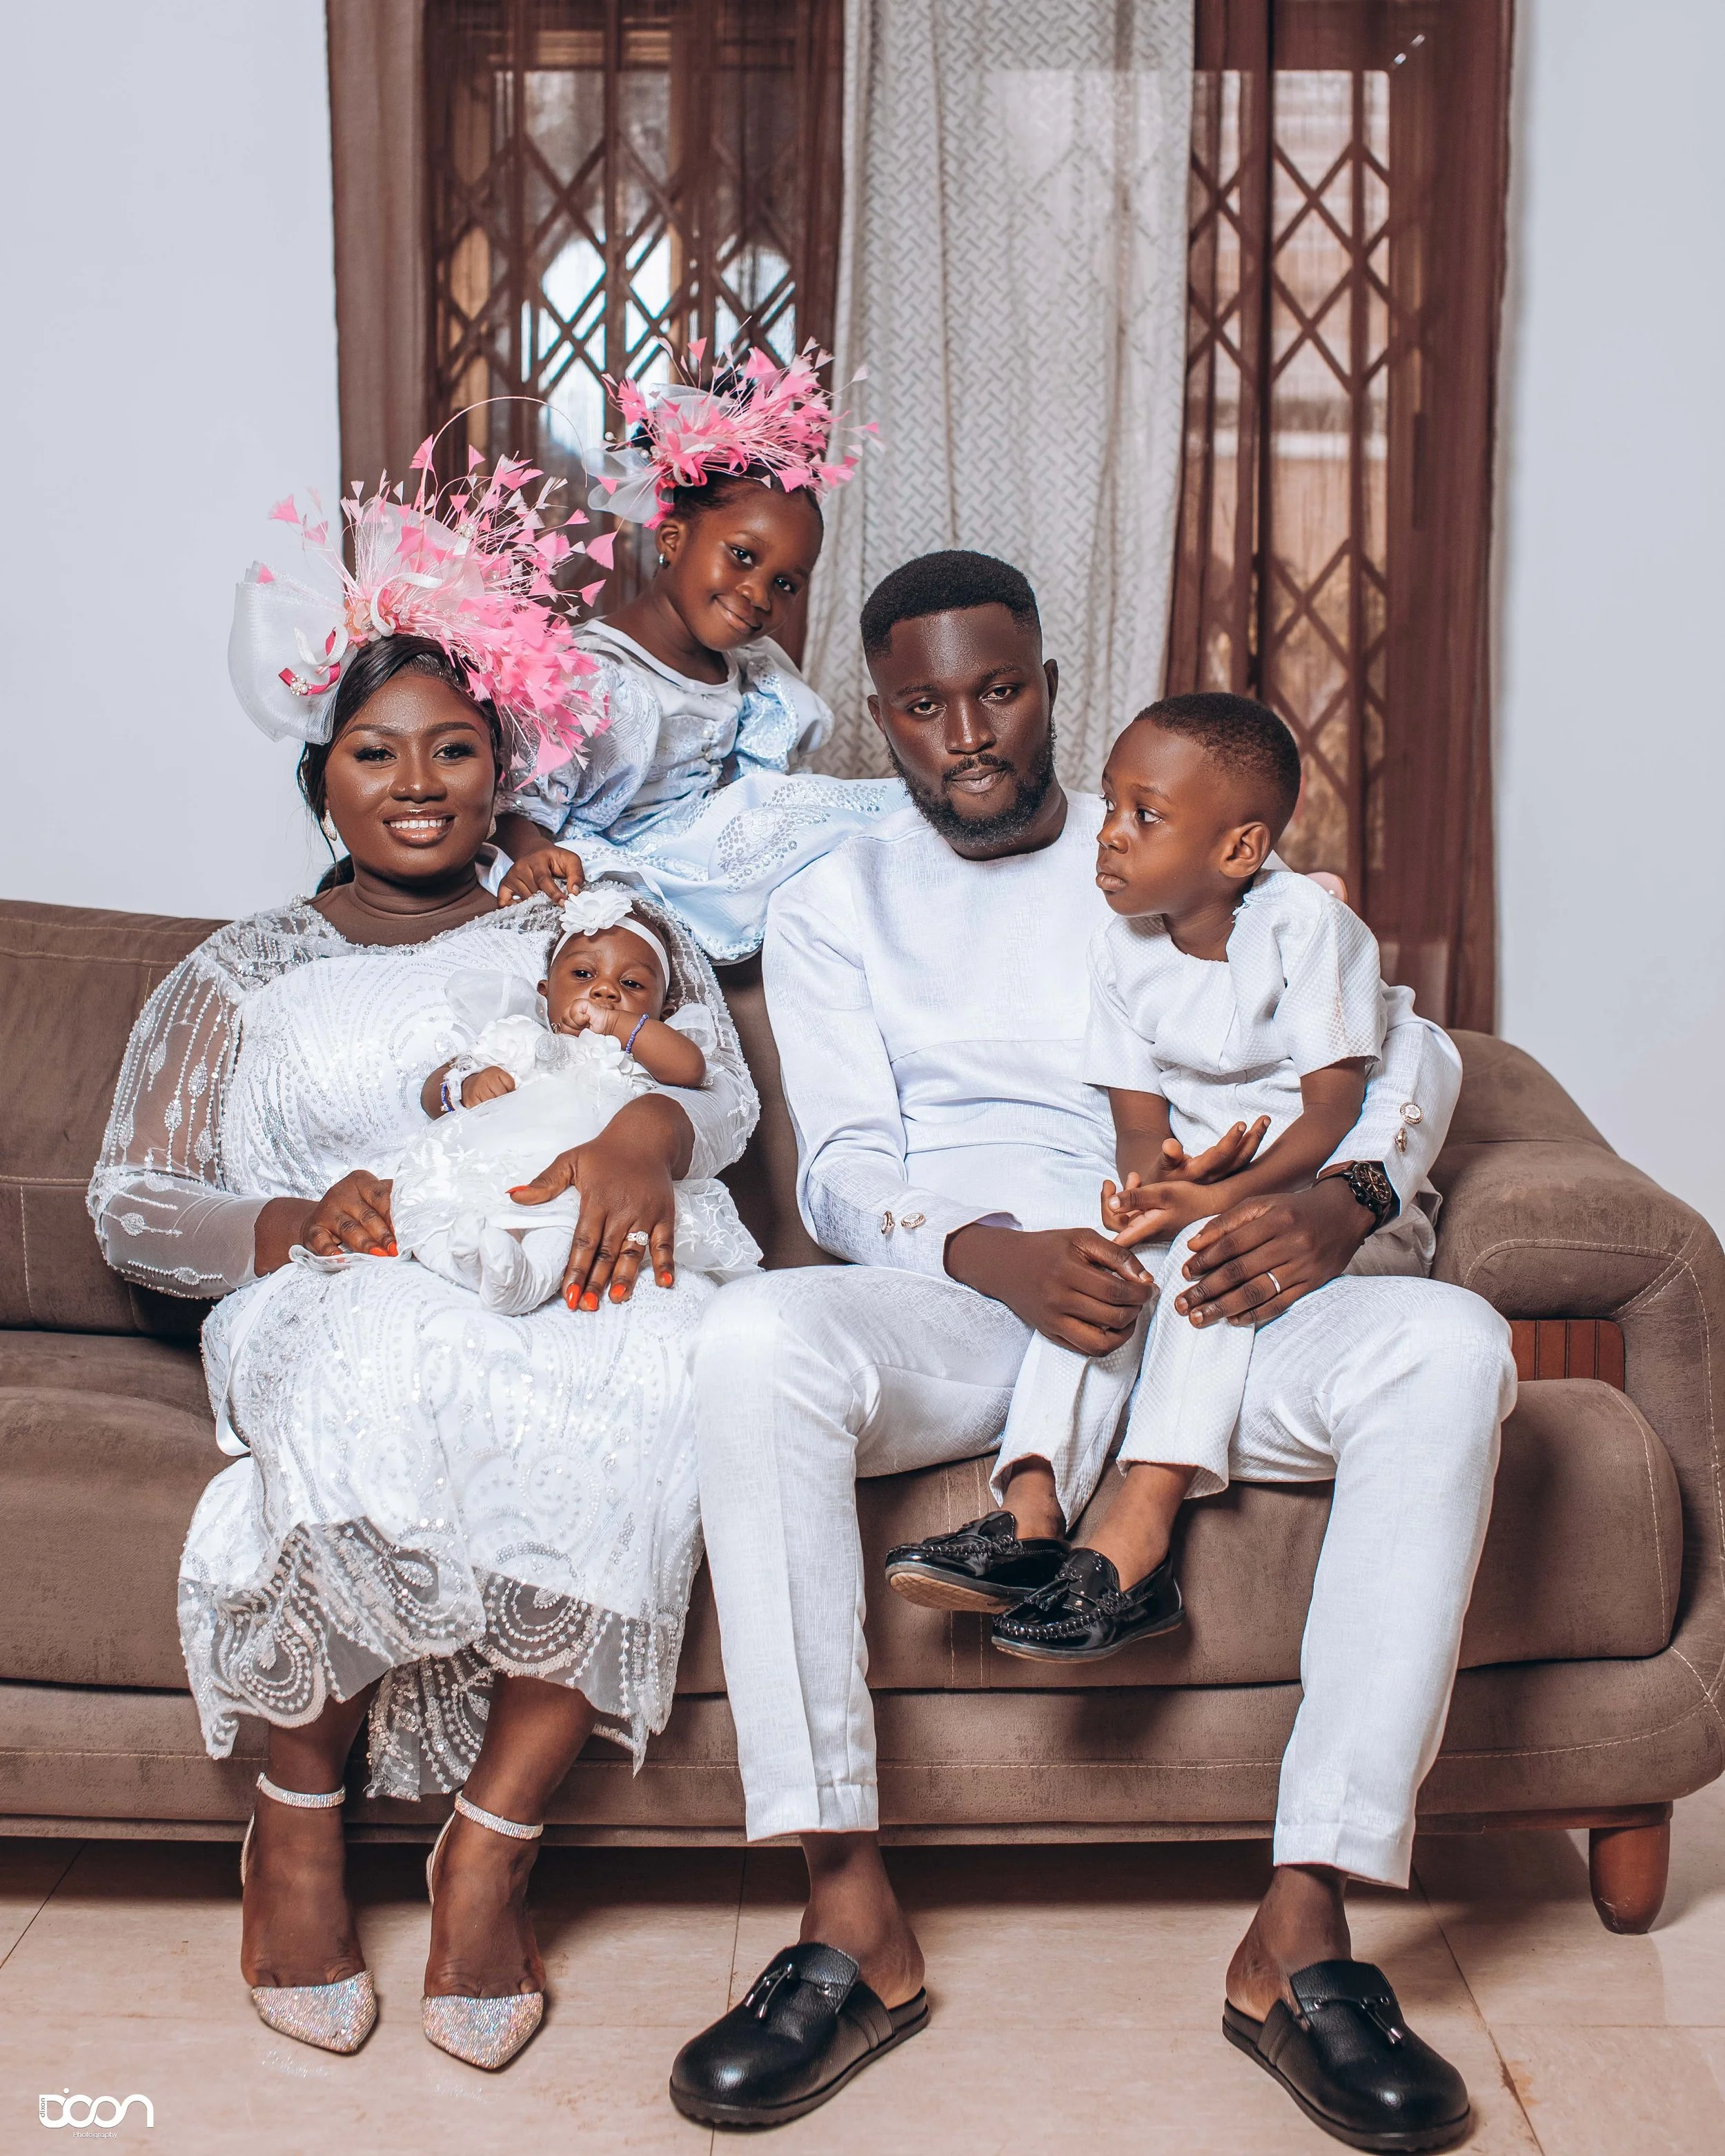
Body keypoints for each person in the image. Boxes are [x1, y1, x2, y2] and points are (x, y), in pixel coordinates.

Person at [671, 551, 1515, 2150]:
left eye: (1000, 691)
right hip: (991, 1317)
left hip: (1212, 1298)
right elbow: (841, 1168)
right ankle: (848, 1915)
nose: (968, 734)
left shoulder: (1190, 848)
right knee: (756, 1331)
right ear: (884, 717)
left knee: (1453, 1347)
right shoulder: (838, 901)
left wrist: (1345, 1199)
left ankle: (1303, 1933)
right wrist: (995, 1254)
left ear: (1052, 684)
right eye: (922, 706)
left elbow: (1417, 1048)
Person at [90, 453, 758, 2075]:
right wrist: (286, 1225)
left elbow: (718, 1094)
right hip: (343, 1283)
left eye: (454, 748)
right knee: (384, 1341)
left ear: (499, 766)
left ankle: (491, 1843)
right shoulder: (236, 972)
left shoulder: (579, 920)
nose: (418, 780)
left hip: (567, 1260)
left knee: (665, 1359)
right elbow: (129, 1198)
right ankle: (299, 1825)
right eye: (377, 751)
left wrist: (642, 1145)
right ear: (321, 775)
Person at [955, 694, 1422, 1666]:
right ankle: (1032, 1509)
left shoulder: (1308, 931)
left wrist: (1215, 1201)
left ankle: (1143, 1529)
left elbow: (1333, 1117)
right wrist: (1149, 1187)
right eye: (1110, 805)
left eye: (1146, 815)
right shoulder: (1119, 950)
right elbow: (1138, 1126)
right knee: (1110, 1260)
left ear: (1241, 848)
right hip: (1204, 1188)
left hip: (1323, 1200)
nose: (1110, 837)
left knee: (1207, 1258)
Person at [492, 345, 905, 959]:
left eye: (786, 583)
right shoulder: (592, 674)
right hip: (618, 873)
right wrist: (531, 857)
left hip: (712, 867)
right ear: (674, 537)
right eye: (742, 555)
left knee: (868, 827)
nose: (758, 593)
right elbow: (523, 809)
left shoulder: (756, 678)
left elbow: (760, 797)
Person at [394, 880, 760, 1314]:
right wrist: (467, 1084)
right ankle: (468, 1264)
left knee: (567, 1223)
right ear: (545, 992)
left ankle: (527, 1282)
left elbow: (690, 1070)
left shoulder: (646, 1051)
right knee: (432, 1213)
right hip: (493, 1164)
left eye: (631, 984)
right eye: (584, 975)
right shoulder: (518, 1036)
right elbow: (431, 1092)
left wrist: (616, 1025)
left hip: (588, 1178)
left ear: (664, 1010)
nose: (605, 990)